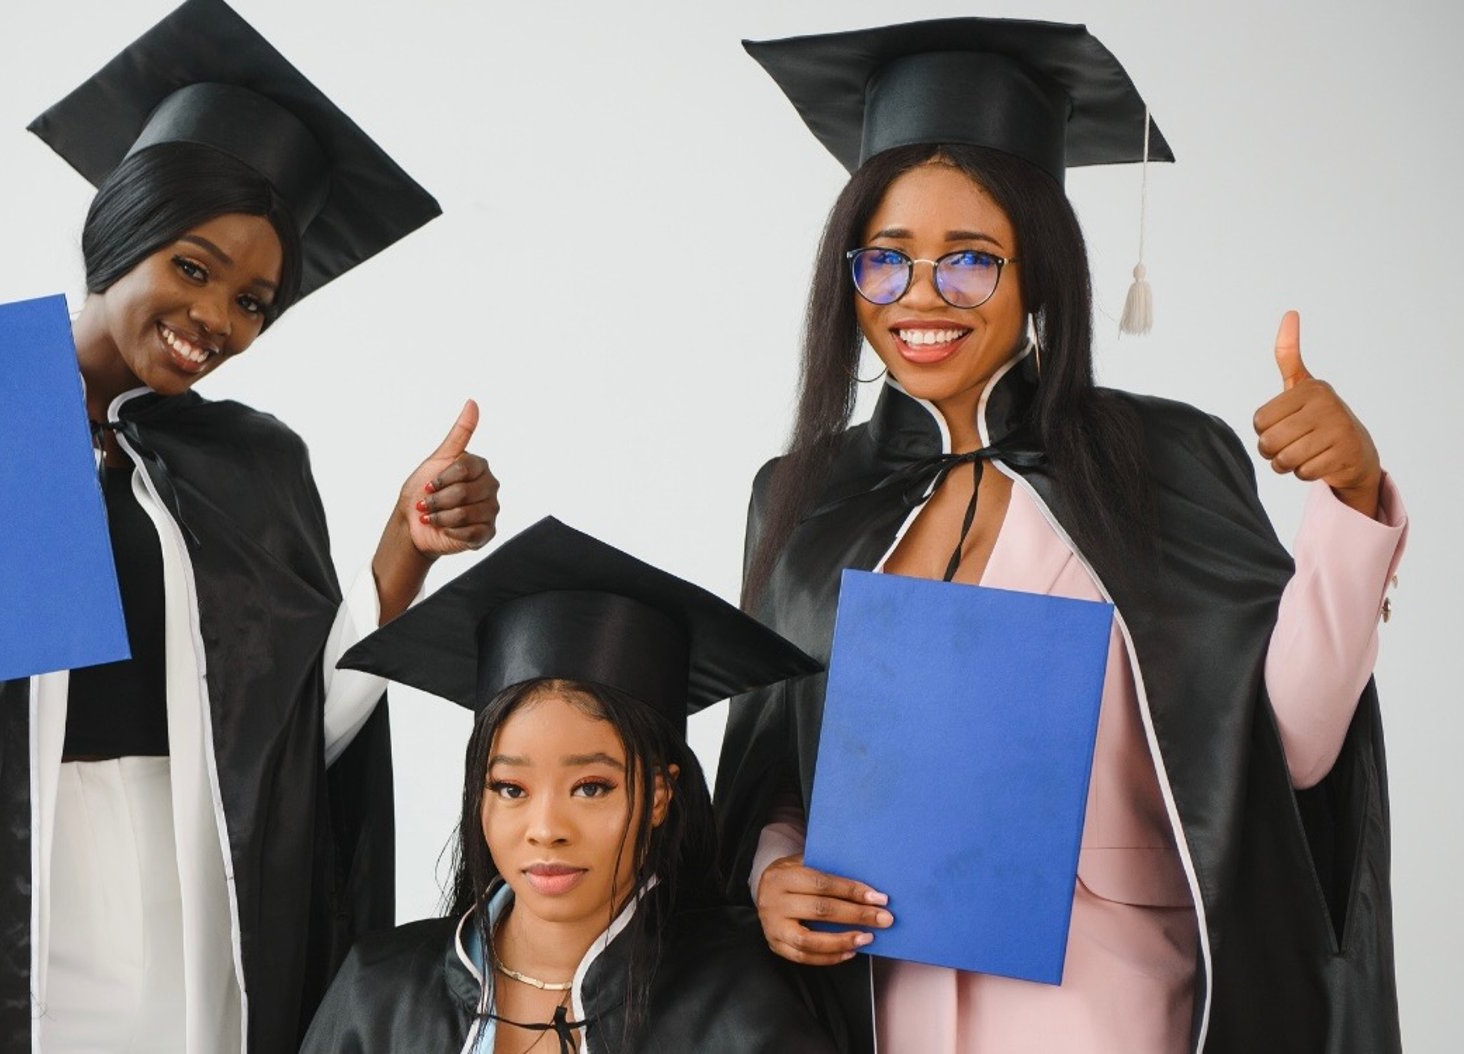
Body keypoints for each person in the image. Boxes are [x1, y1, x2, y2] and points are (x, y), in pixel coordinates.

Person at [0, 2, 500, 1051]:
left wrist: (405, 547)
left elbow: (294, 746)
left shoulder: (252, 466)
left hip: (191, 909)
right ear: (120, 233)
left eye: (254, 301)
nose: (216, 320)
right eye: (193, 267)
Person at [713, 18, 1407, 1054]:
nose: (920, 297)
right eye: (886, 262)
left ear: (1039, 269)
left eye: (969, 262)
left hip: (1109, 1012)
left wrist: (1350, 500)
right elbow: (776, 774)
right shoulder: (804, 498)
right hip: (882, 1012)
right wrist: (774, 874)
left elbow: (1291, 750)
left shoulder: (1161, 460)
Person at [303, 518, 833, 1053]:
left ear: (659, 794)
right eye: (511, 788)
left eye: (591, 787)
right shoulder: (378, 994)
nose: (546, 829)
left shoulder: (739, 1004)